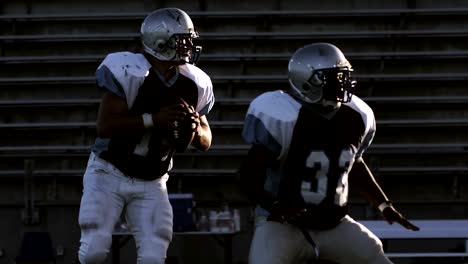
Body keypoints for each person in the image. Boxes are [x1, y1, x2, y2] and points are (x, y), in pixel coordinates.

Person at [239, 42, 419, 264]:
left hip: (334, 223)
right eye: (333, 77)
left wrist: (383, 204)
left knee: (375, 256)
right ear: (306, 81)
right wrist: (274, 206)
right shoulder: (282, 115)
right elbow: (247, 175)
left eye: (343, 76)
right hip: (283, 225)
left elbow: (354, 163)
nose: (342, 83)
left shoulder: (357, 115)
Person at [77, 7, 214, 264]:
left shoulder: (194, 82)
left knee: (154, 255)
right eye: (181, 40)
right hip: (109, 172)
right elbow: (105, 126)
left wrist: (194, 127)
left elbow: (206, 140)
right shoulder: (130, 70)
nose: (188, 46)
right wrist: (155, 120)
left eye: (189, 40)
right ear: (160, 41)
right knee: (94, 250)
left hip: (153, 179)